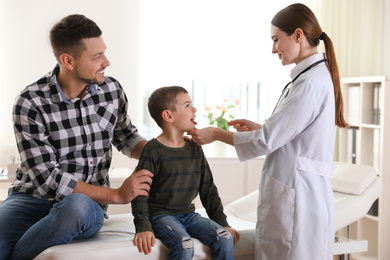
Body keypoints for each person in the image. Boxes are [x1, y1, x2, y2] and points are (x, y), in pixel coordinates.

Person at [188, 3, 348, 260]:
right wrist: (261, 128)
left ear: (298, 35)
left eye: (276, 39)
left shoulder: (310, 83)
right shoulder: (310, 78)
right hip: (297, 192)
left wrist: (216, 134)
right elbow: (292, 136)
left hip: (299, 199)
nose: (273, 48)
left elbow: (266, 141)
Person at [0, 14, 153, 260]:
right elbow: (48, 180)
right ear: (68, 60)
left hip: (85, 204)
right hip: (29, 199)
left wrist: (165, 152)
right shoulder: (30, 102)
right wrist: (116, 195)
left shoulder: (112, 91)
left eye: (104, 52)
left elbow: (126, 136)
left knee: (76, 206)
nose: (107, 62)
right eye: (97, 57)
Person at [131, 86, 240, 259]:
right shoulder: (151, 150)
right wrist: (143, 227)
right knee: (184, 244)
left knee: (225, 238)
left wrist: (222, 223)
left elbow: (208, 190)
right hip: (161, 216)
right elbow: (139, 193)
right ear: (168, 116)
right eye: (188, 105)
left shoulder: (194, 148)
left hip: (189, 215)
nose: (195, 109)